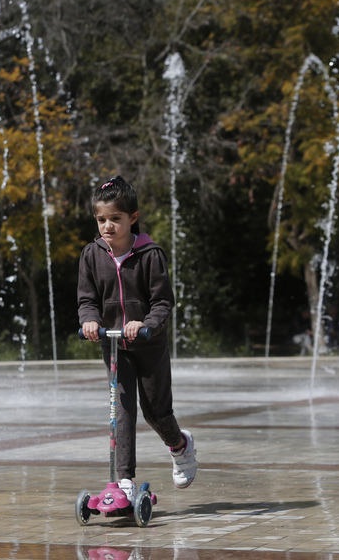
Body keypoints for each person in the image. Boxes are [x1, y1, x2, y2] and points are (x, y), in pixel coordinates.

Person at [77, 175, 198, 501]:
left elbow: (163, 302)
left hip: (149, 343)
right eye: (101, 219)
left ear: (133, 218)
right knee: (122, 410)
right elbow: (87, 299)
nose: (107, 226)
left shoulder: (149, 254)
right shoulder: (92, 254)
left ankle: (180, 445)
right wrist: (89, 320)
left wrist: (146, 322)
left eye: (115, 219)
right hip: (113, 343)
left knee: (155, 411)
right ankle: (124, 482)